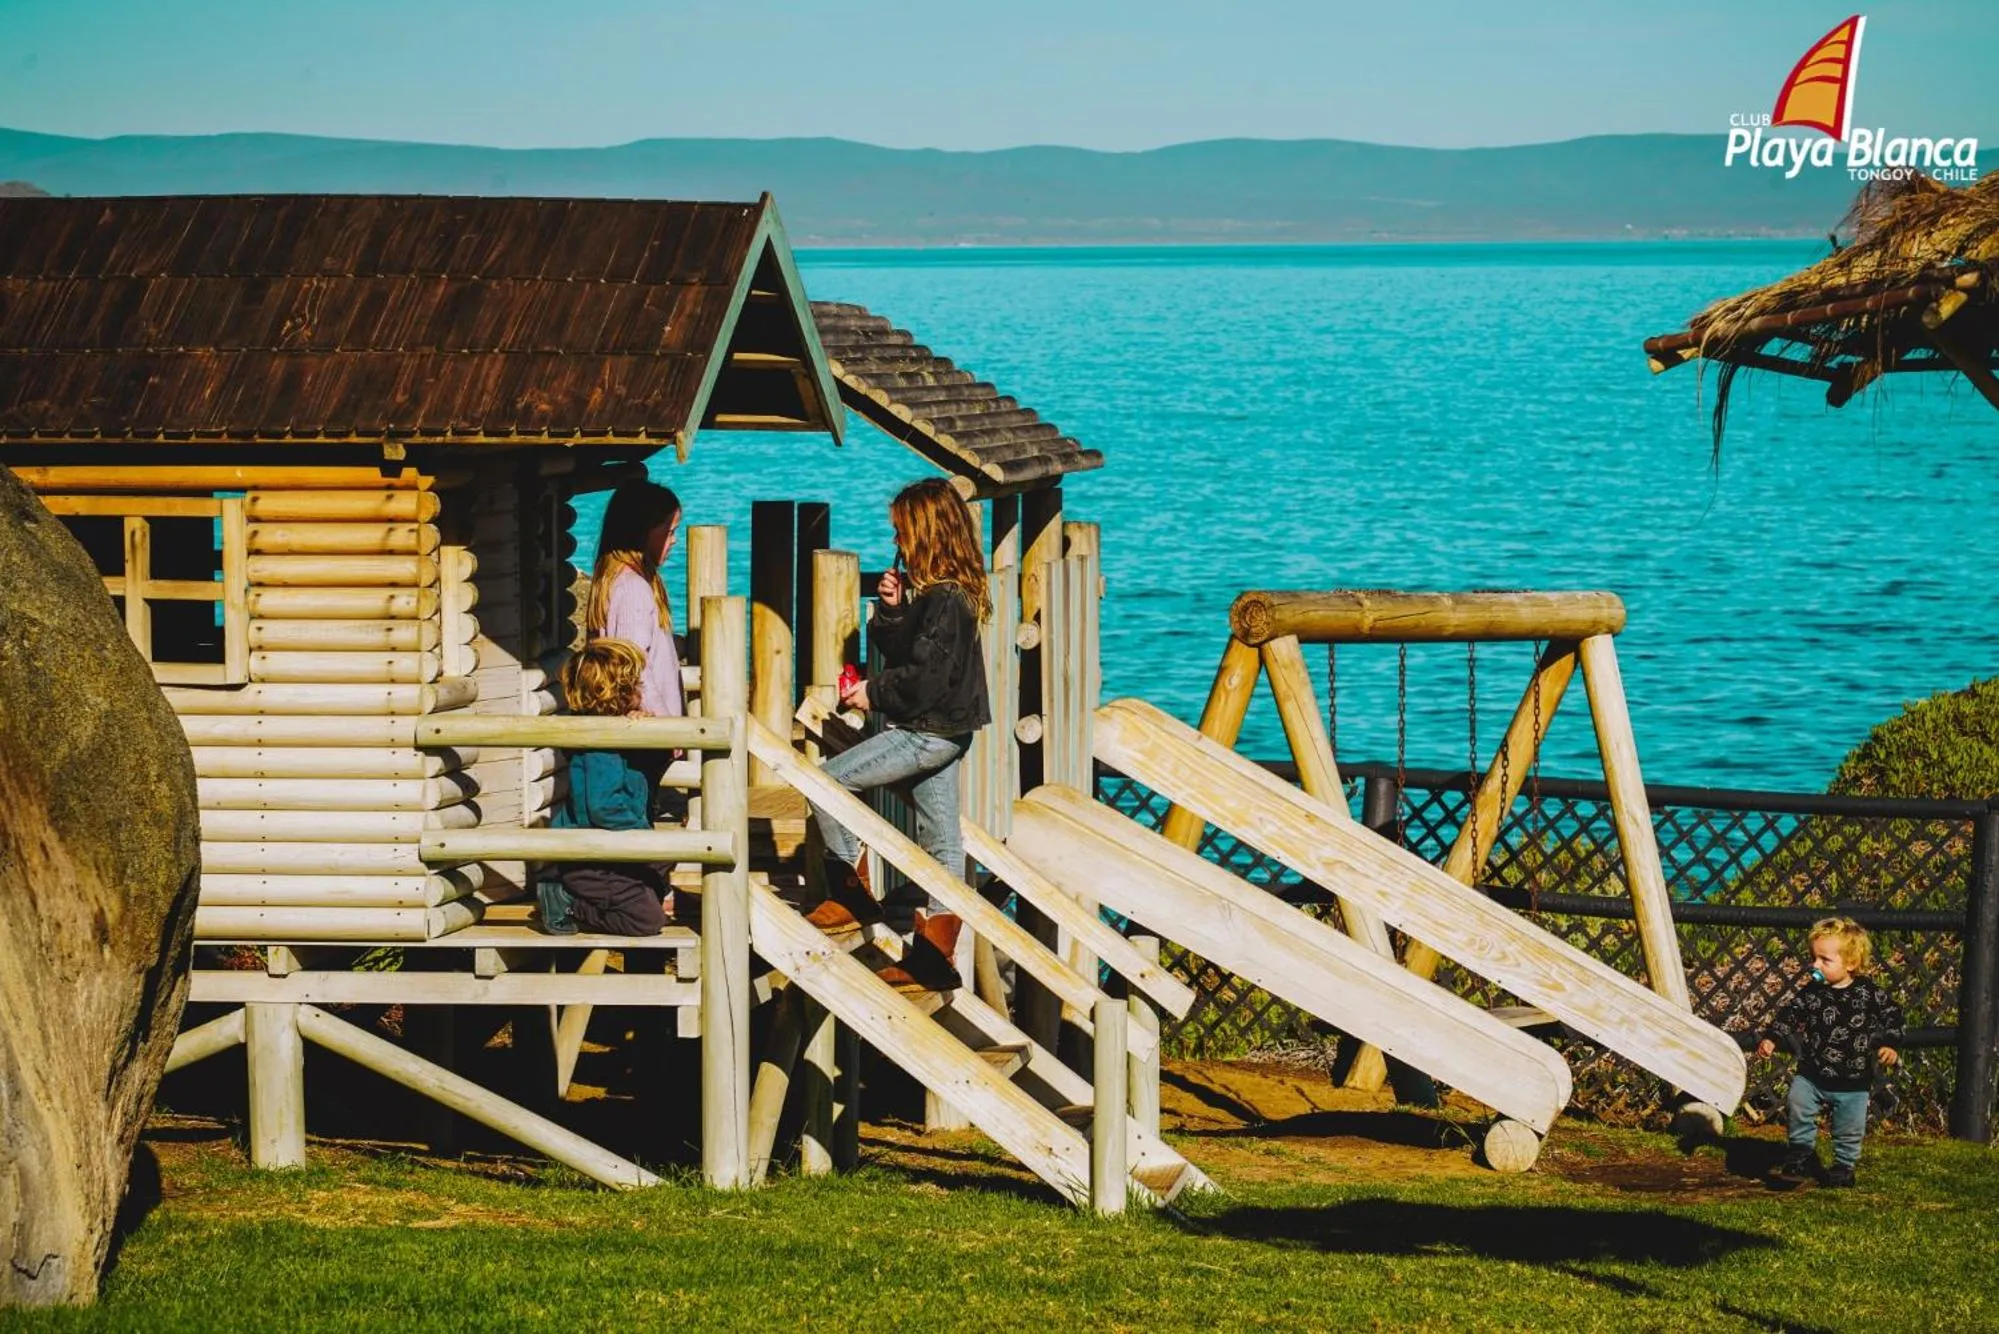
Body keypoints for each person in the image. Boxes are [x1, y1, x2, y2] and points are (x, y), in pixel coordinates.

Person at [805, 478, 992, 995]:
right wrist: (891, 608)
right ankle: (933, 959)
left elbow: (924, 678)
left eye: (902, 532)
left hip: (927, 732)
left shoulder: (946, 600)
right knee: (942, 844)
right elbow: (913, 649)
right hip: (950, 731)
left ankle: (852, 894)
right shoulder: (943, 595)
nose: (898, 543)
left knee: (828, 783)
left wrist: (872, 691)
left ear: (925, 533)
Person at [535, 640, 671, 937]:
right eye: (635, 684)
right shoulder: (600, 745)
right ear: (618, 692)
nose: (641, 690)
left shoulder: (610, 732)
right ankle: (568, 902)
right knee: (648, 921)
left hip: (614, 850)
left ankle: (633, 901)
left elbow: (649, 773)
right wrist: (643, 838)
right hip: (596, 859)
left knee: (663, 863)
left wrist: (648, 735)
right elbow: (603, 806)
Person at [1755, 917, 1904, 1187]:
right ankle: (1799, 1155)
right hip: (1811, 1073)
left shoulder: (1868, 993)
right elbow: (1790, 1014)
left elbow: (1894, 1015)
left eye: (1825, 960)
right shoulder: (1812, 992)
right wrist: (1772, 1037)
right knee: (1798, 1104)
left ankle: (1843, 1167)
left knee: (1849, 1127)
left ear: (1851, 963)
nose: (1815, 965)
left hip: (1853, 1078)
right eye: (1813, 958)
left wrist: (1890, 1043)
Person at [584, 480, 685, 812]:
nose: (674, 540)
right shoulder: (634, 589)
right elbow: (634, 663)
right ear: (644, 532)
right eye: (669, 531)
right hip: (646, 727)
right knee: (638, 811)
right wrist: (666, 726)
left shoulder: (612, 579)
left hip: (632, 721)